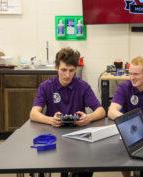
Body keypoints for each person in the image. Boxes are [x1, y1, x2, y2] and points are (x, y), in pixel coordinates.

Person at [30, 47, 105, 177]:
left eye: (71, 71)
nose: (67, 75)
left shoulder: (83, 86)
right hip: (54, 135)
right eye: (63, 70)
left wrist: (89, 118)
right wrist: (50, 120)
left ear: (76, 69)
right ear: (56, 68)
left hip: (78, 135)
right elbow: (33, 114)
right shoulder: (46, 86)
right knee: (41, 164)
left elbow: (101, 111)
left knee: (87, 167)